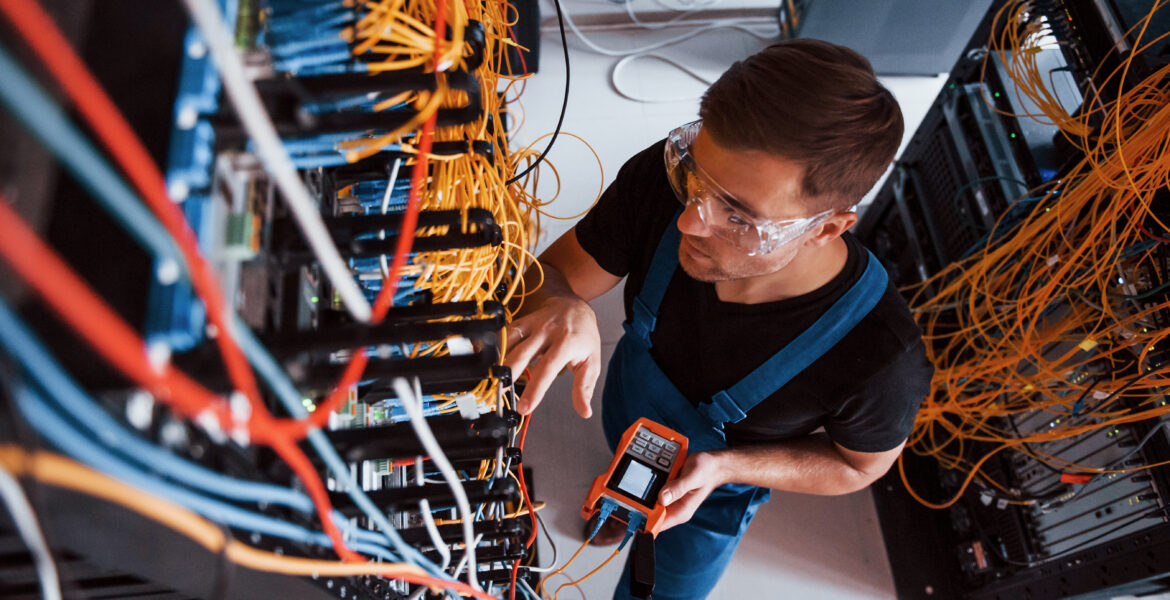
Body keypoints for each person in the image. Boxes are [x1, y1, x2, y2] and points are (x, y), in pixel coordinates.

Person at [504, 39, 933, 600]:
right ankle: (620, 509)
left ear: (827, 228)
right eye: (696, 177)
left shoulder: (880, 358)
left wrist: (727, 467)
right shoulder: (663, 184)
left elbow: (856, 468)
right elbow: (556, 274)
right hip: (629, 414)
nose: (689, 222)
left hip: (715, 492)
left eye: (738, 215)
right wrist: (561, 302)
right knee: (625, 468)